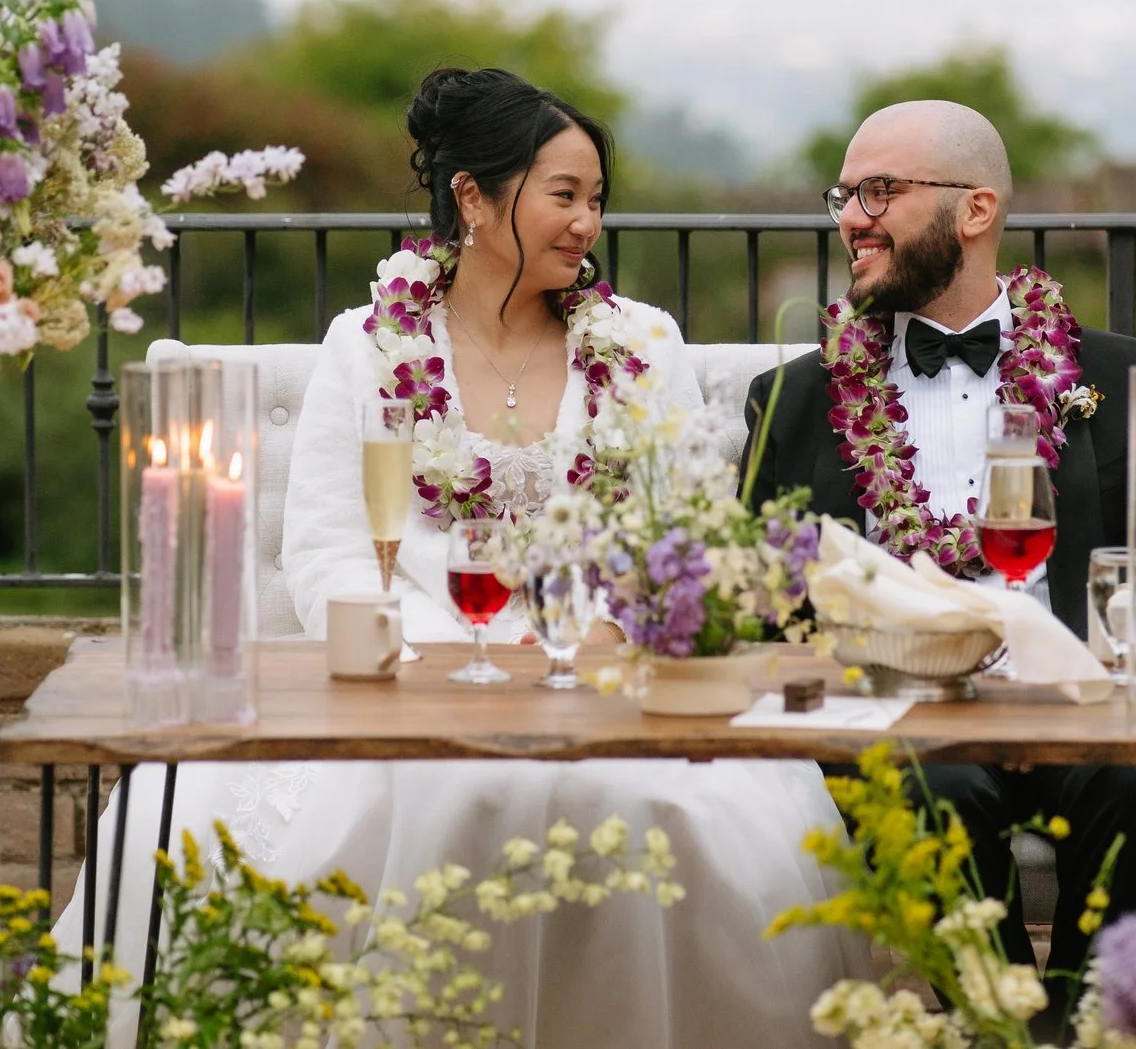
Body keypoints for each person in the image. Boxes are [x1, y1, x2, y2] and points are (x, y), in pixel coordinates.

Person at [60, 67, 862, 1047]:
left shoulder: (643, 341)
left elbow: (679, 538)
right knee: (450, 784)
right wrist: (422, 655)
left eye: (596, 199)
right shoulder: (365, 344)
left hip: (601, 671)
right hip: (415, 671)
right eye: (563, 195)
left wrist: (614, 631)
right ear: (474, 197)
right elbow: (322, 545)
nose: (587, 223)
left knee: (649, 800)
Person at [742, 99, 1136, 1015]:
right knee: (927, 792)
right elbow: (762, 612)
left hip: (1080, 706)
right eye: (845, 193)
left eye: (879, 190)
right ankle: (997, 1032)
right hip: (900, 721)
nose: (850, 218)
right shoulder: (791, 402)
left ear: (976, 210)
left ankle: (1087, 1027)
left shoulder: (1115, 376)